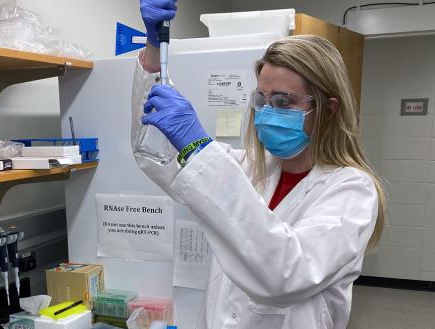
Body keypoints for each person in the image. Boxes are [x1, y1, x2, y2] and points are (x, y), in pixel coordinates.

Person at [131, 1, 386, 328]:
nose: (266, 112)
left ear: (329, 108)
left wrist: (199, 147)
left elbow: (285, 274)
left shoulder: (352, 192)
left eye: (283, 102)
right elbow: (155, 155)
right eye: (262, 100)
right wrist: (155, 52)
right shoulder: (247, 168)